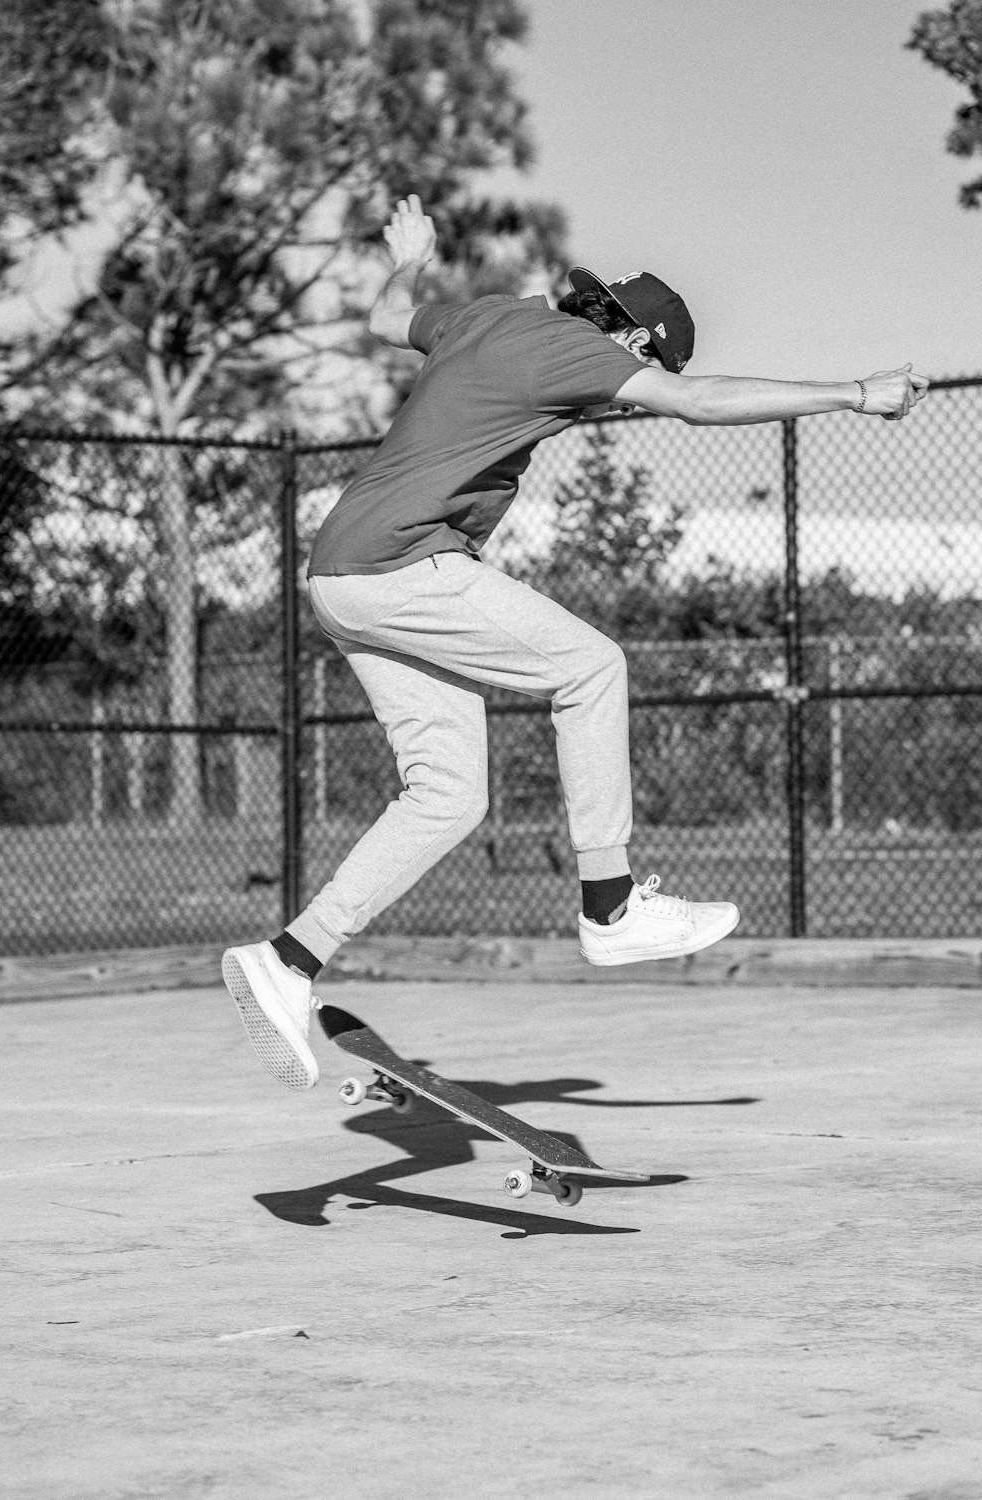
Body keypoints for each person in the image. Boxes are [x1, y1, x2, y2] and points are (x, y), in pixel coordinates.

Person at [221, 195, 929, 1090]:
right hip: (401, 564)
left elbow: (381, 314)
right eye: (638, 374)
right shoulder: (576, 351)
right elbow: (698, 403)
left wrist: (412, 256)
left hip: (342, 576)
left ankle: (289, 960)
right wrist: (854, 394)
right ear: (633, 344)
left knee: (446, 796)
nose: (619, 401)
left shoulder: (486, 317)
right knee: (594, 667)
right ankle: (611, 902)